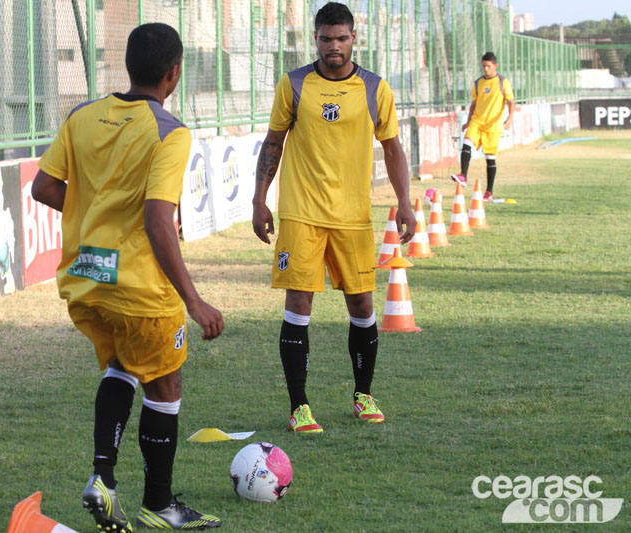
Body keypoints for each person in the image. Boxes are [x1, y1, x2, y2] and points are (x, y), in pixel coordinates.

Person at [32, 23, 223, 531]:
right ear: (174, 72)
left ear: (129, 65)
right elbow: (159, 220)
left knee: (120, 365)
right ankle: (159, 505)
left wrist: (97, 215)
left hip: (87, 280)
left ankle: (102, 480)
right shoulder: (169, 131)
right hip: (140, 289)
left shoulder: (82, 116)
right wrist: (195, 301)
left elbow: (44, 186)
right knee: (165, 386)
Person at [252, 2, 416, 434]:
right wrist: (258, 198)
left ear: (354, 38)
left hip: (353, 218)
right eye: (326, 39)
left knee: (362, 305)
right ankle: (299, 406)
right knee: (298, 303)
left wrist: (406, 201)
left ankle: (363, 395)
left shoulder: (375, 88)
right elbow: (273, 143)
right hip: (301, 214)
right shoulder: (294, 85)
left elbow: (394, 149)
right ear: (315, 38)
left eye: (341, 38)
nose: (334, 47)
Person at [450, 52, 515, 202]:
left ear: (495, 66)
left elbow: (511, 102)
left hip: (493, 125)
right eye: (484, 66)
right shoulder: (478, 83)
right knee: (466, 142)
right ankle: (463, 176)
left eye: (488, 66)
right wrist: (468, 121)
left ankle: (489, 192)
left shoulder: (502, 82)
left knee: (490, 158)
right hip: (477, 121)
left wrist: (510, 118)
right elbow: (474, 104)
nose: (486, 69)